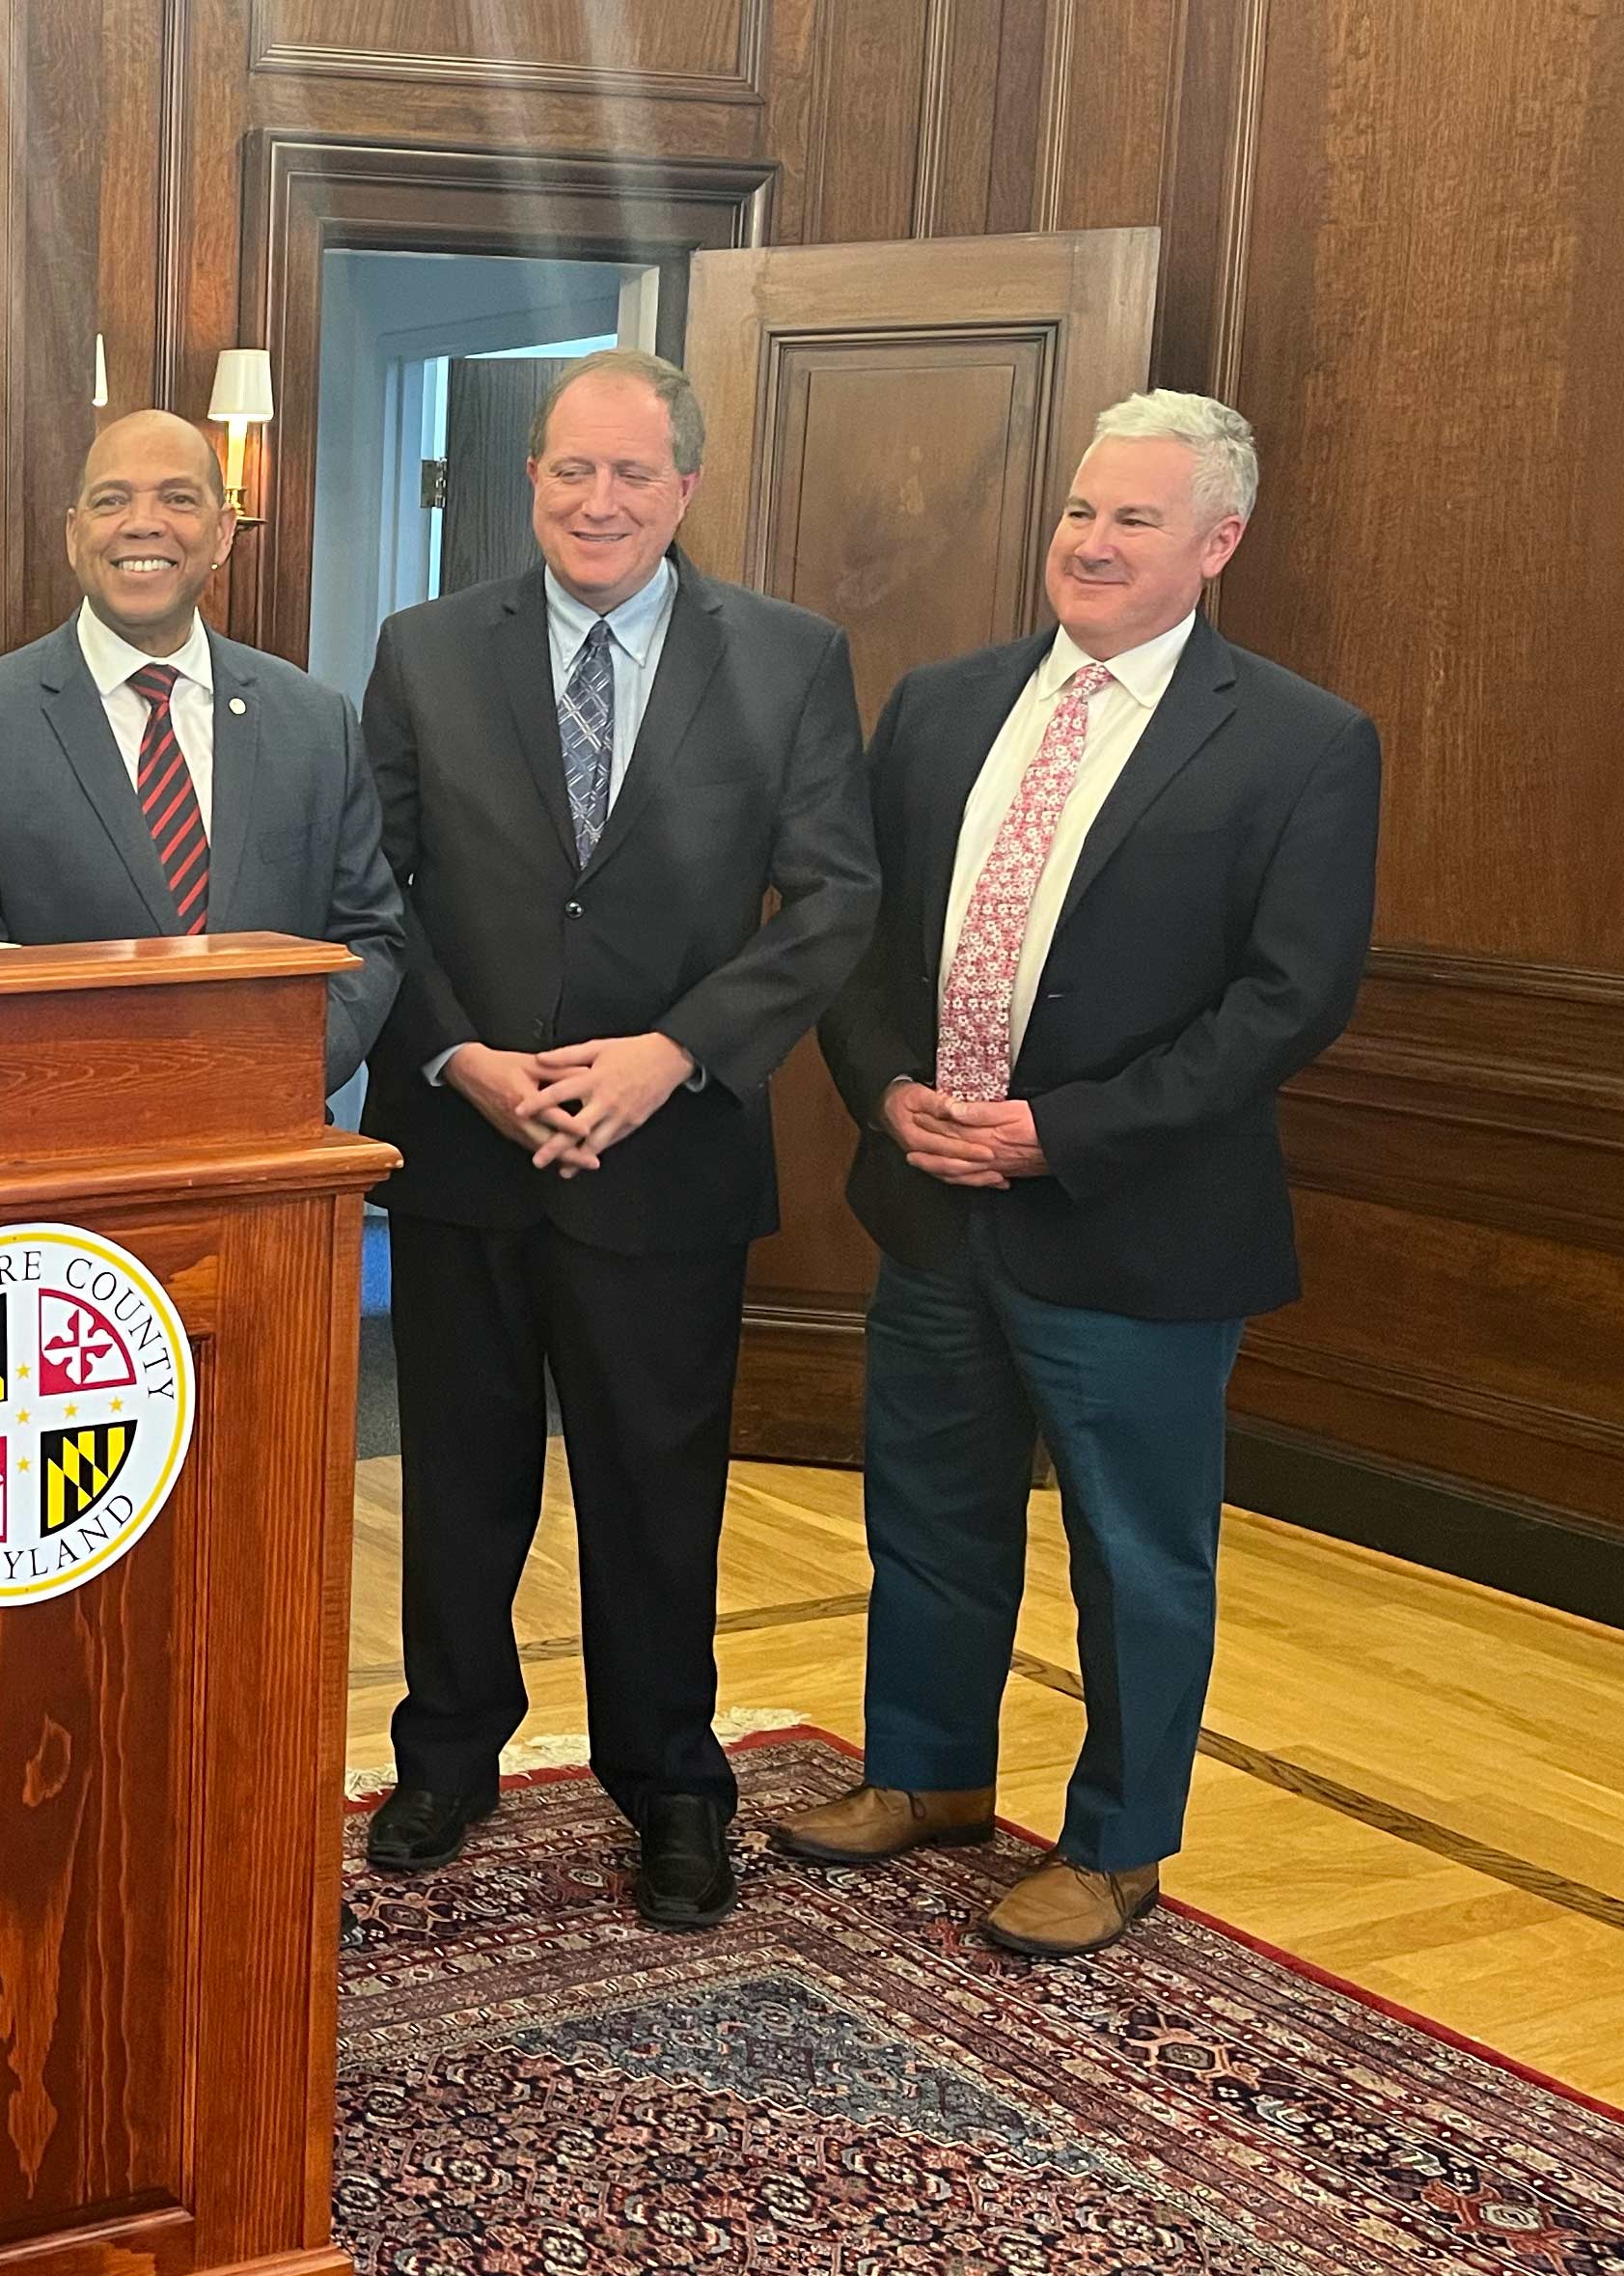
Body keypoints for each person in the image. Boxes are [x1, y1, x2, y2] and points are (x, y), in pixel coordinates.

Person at [780, 392, 1377, 1957]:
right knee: (925, 1514)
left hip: (1137, 1227)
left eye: (1133, 519)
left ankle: (1114, 1846)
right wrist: (882, 1090)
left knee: (1132, 1552)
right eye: (1078, 511)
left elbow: (1288, 996)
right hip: (930, 1202)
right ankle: (922, 1773)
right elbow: (853, 930)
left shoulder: (1302, 742)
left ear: (1216, 542)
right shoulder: (937, 705)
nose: (1091, 543)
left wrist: (1067, 1131)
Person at [358, 349, 879, 1929]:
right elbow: (369, 887)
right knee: (458, 1476)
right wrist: (457, 1057)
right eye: (570, 470)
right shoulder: (424, 650)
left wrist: (673, 1054)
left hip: (669, 1154)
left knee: (661, 1491)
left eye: (632, 474)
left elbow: (836, 896)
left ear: (686, 489)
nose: (598, 500)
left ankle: (671, 1785)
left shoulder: (785, 661)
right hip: (464, 1149)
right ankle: (445, 1753)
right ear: (528, 477)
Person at [0, 407, 404, 1095]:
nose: (143, 522)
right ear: (75, 535)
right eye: (112, 500)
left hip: (272, 1146)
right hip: (62, 1151)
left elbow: (367, 937)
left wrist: (282, 1071)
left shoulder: (316, 722)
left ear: (222, 533)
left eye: (178, 498)